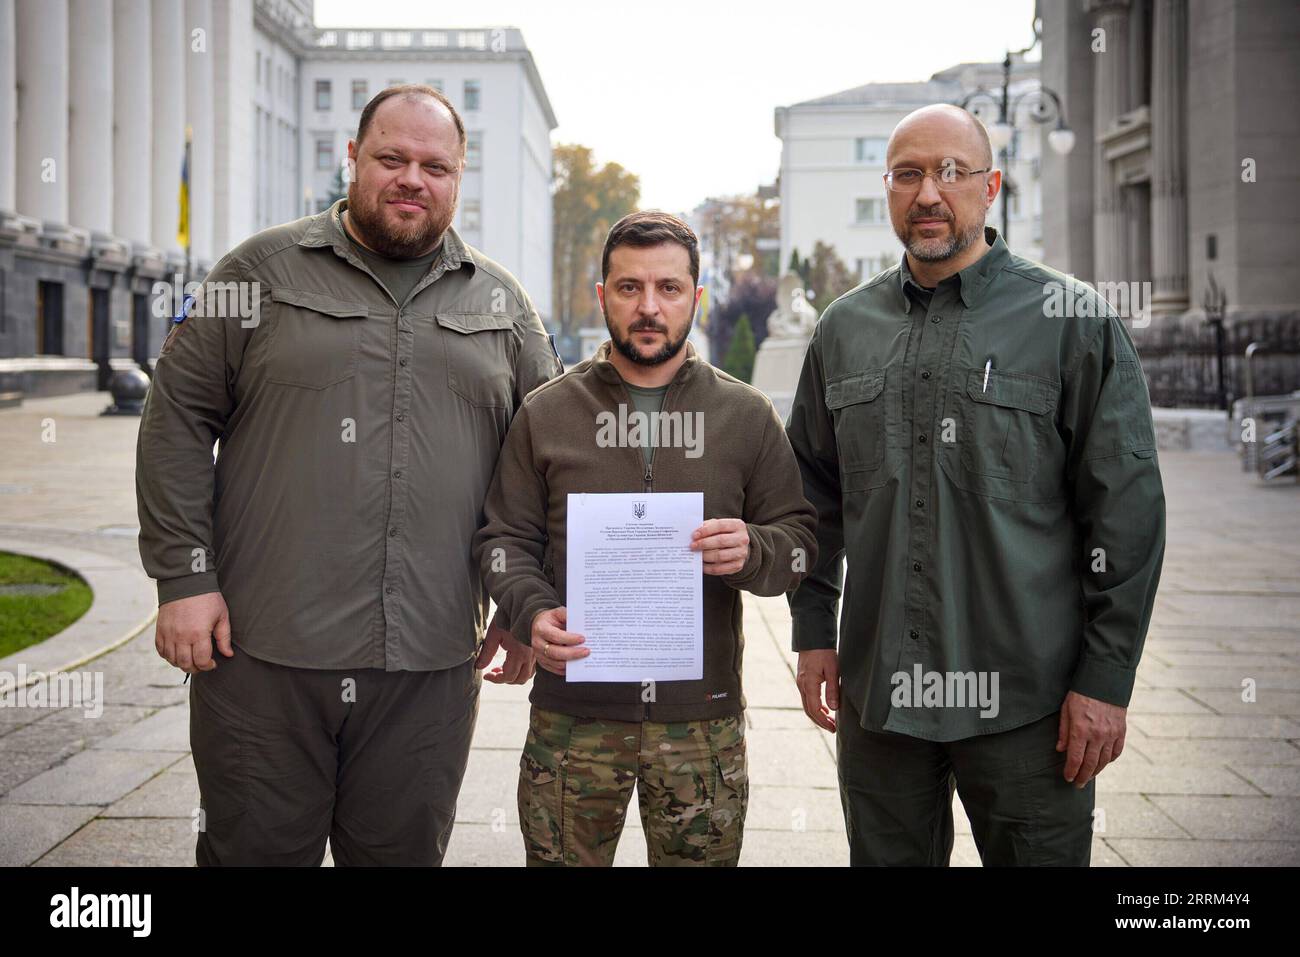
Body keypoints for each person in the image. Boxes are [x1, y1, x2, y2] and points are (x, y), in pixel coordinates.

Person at [135, 85, 560, 866]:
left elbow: (545, 464)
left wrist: (523, 598)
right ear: (353, 159)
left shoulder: (504, 306)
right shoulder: (257, 272)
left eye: (435, 165)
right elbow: (177, 417)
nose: (412, 179)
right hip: (263, 656)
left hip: (430, 663)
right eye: (391, 158)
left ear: (458, 176)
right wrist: (183, 577)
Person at [786, 104, 1166, 866]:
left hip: (1030, 708)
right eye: (908, 174)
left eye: (952, 172)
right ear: (888, 189)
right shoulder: (842, 329)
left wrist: (1106, 678)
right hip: (883, 700)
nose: (930, 192)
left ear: (990, 187)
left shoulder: (1071, 321)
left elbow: (1125, 513)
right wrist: (812, 629)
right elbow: (811, 497)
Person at [474, 211, 817, 866]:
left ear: (697, 296)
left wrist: (754, 549)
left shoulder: (744, 416)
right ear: (602, 296)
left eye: (669, 287)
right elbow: (503, 540)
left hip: (701, 724)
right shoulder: (547, 412)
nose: (649, 306)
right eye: (629, 288)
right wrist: (531, 608)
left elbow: (799, 541)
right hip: (572, 722)